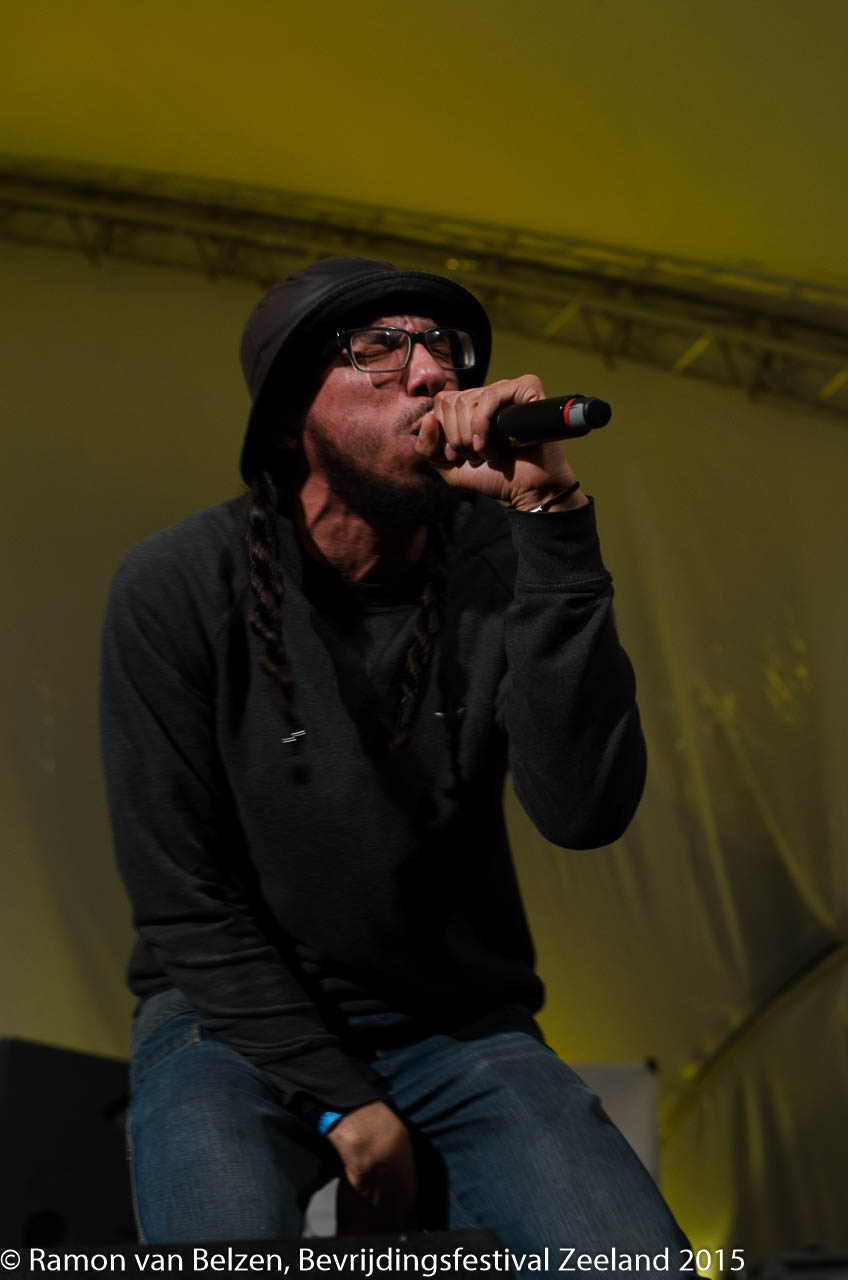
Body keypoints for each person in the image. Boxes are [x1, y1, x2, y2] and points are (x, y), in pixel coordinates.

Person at [100, 256, 690, 1264]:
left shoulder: (500, 562)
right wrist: (346, 1104)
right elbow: (182, 897)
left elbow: (584, 809)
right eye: (375, 348)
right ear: (288, 423)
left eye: (443, 349)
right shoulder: (176, 585)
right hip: (231, 1018)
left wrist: (551, 521)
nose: (430, 373)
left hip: (454, 1024)